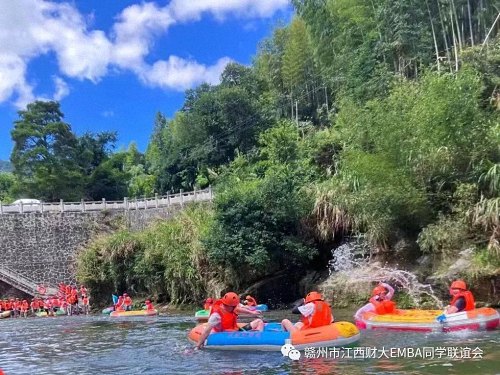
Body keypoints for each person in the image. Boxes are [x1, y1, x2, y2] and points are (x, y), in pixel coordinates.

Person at [196, 292, 264, 349]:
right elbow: (206, 331)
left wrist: (252, 313)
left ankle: (258, 338)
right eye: (234, 306)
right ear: (228, 305)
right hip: (224, 334)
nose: (235, 307)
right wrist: (197, 347)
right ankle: (254, 339)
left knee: (259, 321)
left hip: (236, 331)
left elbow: (238, 309)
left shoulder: (230, 307)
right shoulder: (216, 316)